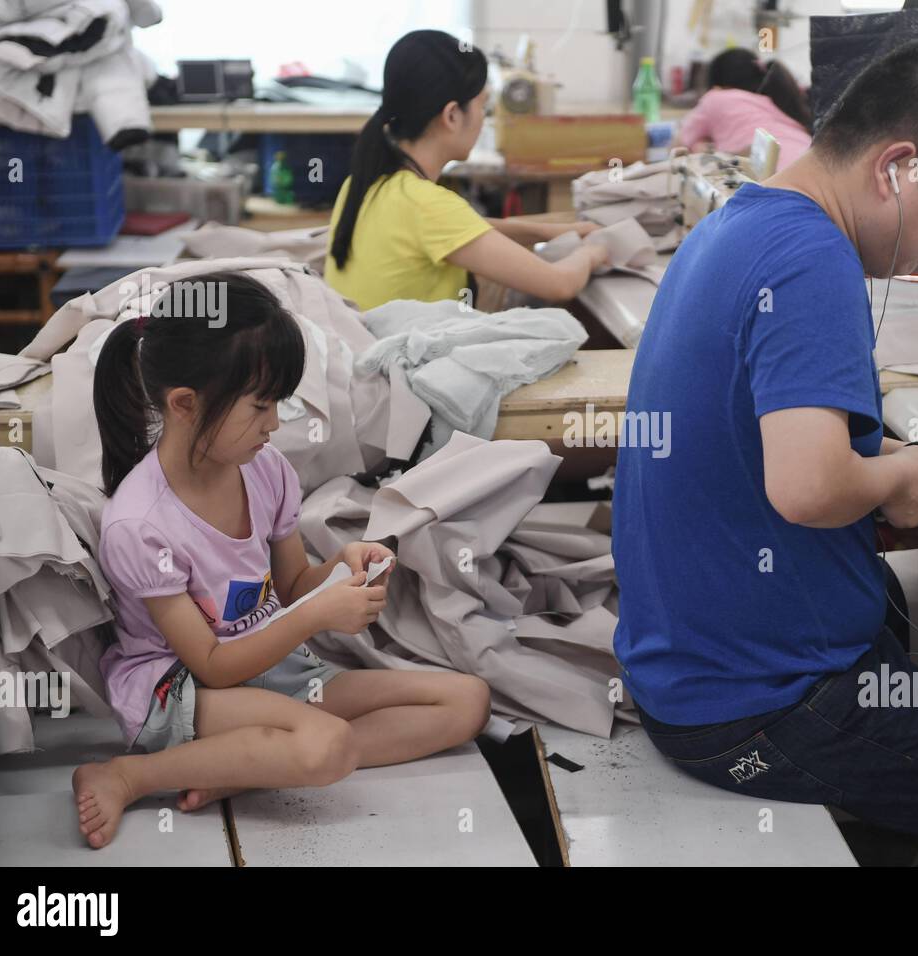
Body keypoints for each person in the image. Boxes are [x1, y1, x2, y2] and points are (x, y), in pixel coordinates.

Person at [612, 40, 918, 866]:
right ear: (898, 167)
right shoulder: (813, 261)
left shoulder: (739, 223)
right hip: (755, 707)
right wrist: (899, 473)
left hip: (689, 664)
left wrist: (883, 455)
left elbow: (760, 427)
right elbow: (810, 487)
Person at [72, 271, 491, 849]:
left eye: (279, 403)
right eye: (260, 405)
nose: (274, 423)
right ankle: (128, 775)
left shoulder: (265, 470)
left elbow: (294, 583)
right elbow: (214, 664)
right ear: (186, 404)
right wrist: (319, 617)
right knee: (327, 743)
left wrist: (342, 567)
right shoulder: (140, 524)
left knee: (466, 699)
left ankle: (246, 766)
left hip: (269, 670)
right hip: (182, 691)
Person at [325, 30, 609, 311]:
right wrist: (594, 253)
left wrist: (553, 232)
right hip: (413, 356)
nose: (483, 120)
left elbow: (465, 230)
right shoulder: (427, 205)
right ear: (451, 116)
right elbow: (560, 283)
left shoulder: (364, 184)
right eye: (483, 107)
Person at [676, 48, 812, 171]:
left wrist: (699, 145)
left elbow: (678, 147)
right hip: (810, 173)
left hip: (773, 180)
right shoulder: (775, 102)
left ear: (717, 84)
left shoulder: (717, 98)